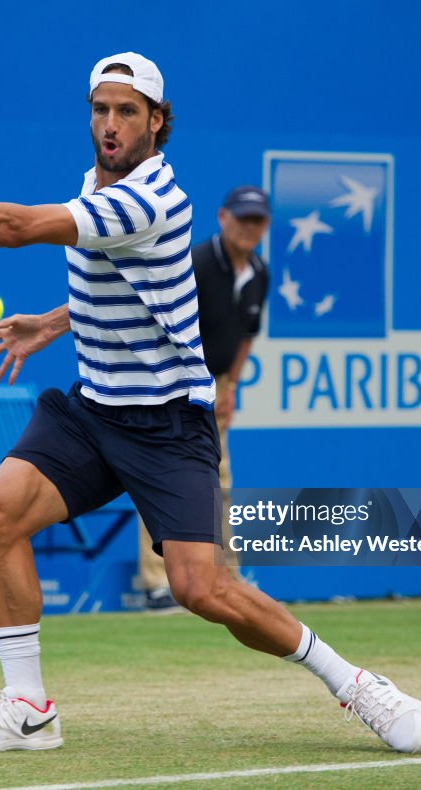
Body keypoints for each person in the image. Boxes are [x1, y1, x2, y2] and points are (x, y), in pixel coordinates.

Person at [0, 51, 421, 756]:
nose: (110, 125)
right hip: (93, 411)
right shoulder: (98, 182)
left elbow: (17, 227)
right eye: (100, 109)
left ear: (156, 122)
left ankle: (353, 682)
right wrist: (55, 320)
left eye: (127, 112)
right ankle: (28, 708)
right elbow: (127, 281)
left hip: (169, 423)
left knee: (200, 590)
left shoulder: (149, 198)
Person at [139, 186, 271, 613]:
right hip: (172, 383)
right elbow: (162, 327)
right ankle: (158, 584)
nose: (250, 227)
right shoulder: (193, 264)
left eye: (258, 220)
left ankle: (225, 577)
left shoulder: (259, 272)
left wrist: (230, 387)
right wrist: (196, 385)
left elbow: (247, 336)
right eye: (243, 218)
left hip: (214, 388)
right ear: (222, 217)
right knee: (158, 479)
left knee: (219, 481)